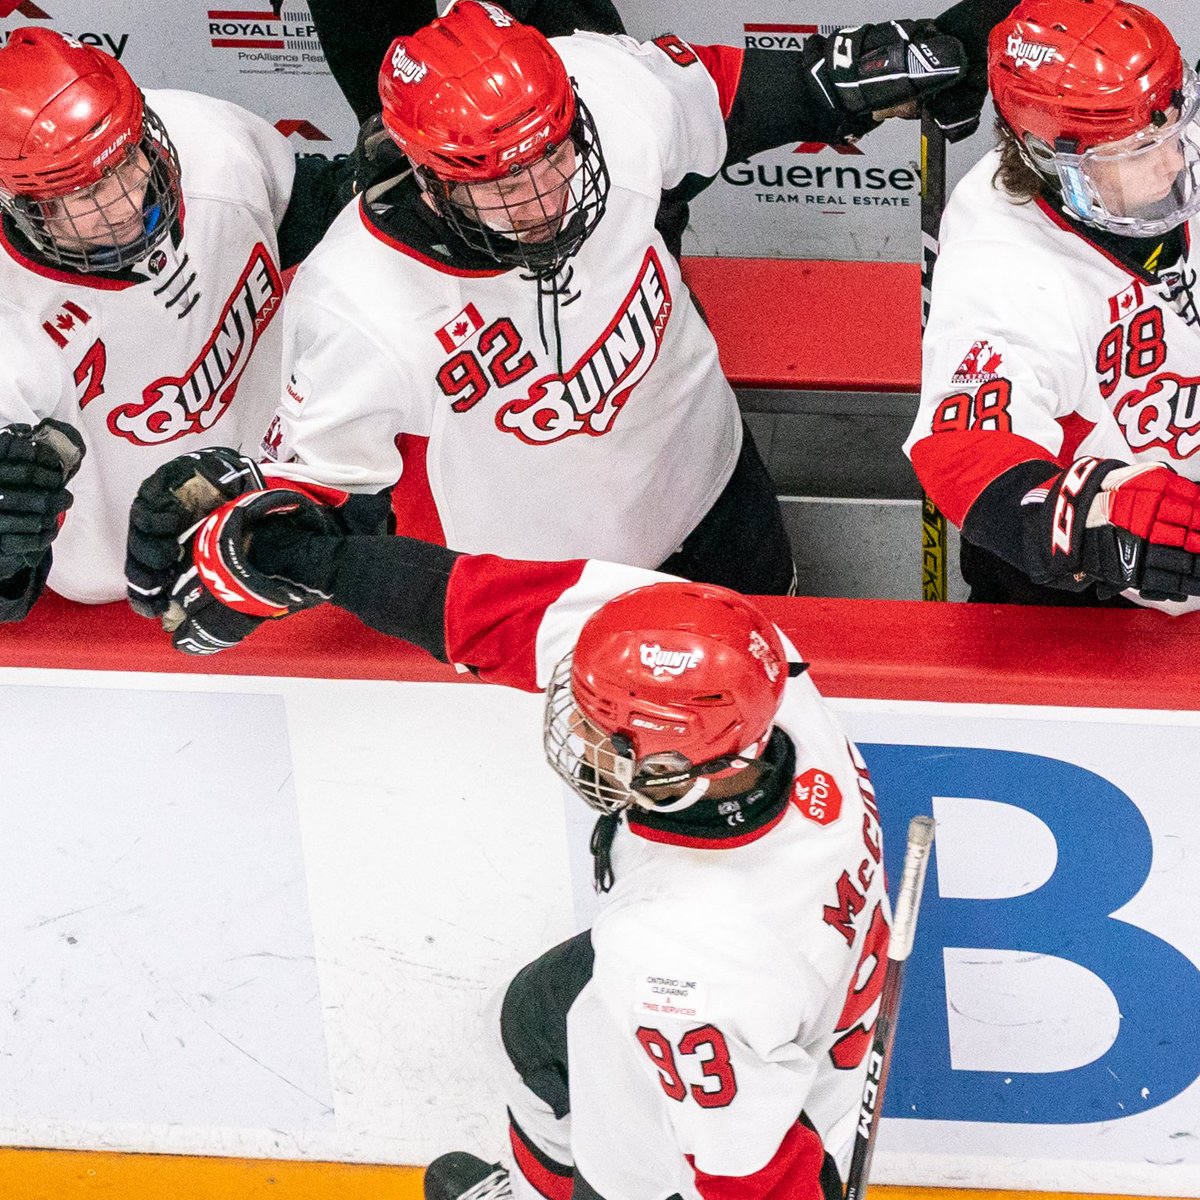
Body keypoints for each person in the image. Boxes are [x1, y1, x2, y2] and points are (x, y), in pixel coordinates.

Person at [126, 477, 893, 1199]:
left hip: (719, 1129)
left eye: (599, 725)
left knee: (623, 1158)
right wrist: (322, 563)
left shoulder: (680, 953)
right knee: (536, 1019)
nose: (575, 728)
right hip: (768, 1014)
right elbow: (495, 610)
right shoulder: (760, 674)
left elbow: (749, 1176)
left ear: (669, 763)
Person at [246, 1, 969, 601]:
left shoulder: (604, 88)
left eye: (556, 154)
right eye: (498, 182)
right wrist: (251, 542)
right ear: (426, 174)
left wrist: (843, 75)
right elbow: (315, 501)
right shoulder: (353, 300)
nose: (546, 199)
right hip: (541, 597)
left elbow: (726, 96)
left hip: (716, 493)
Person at [0, 27, 351, 621]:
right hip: (116, 583)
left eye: (124, 163)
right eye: (80, 193)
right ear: (27, 207)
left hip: (280, 508)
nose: (124, 204)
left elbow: (308, 210)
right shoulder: (14, 322)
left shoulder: (208, 141)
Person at [904, 0, 1200, 609]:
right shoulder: (1004, 262)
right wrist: (1097, 514)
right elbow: (964, 453)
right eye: (1134, 153)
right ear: (1050, 158)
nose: (1173, 162)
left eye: (1172, 129)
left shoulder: (1146, 123)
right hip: (1106, 580)